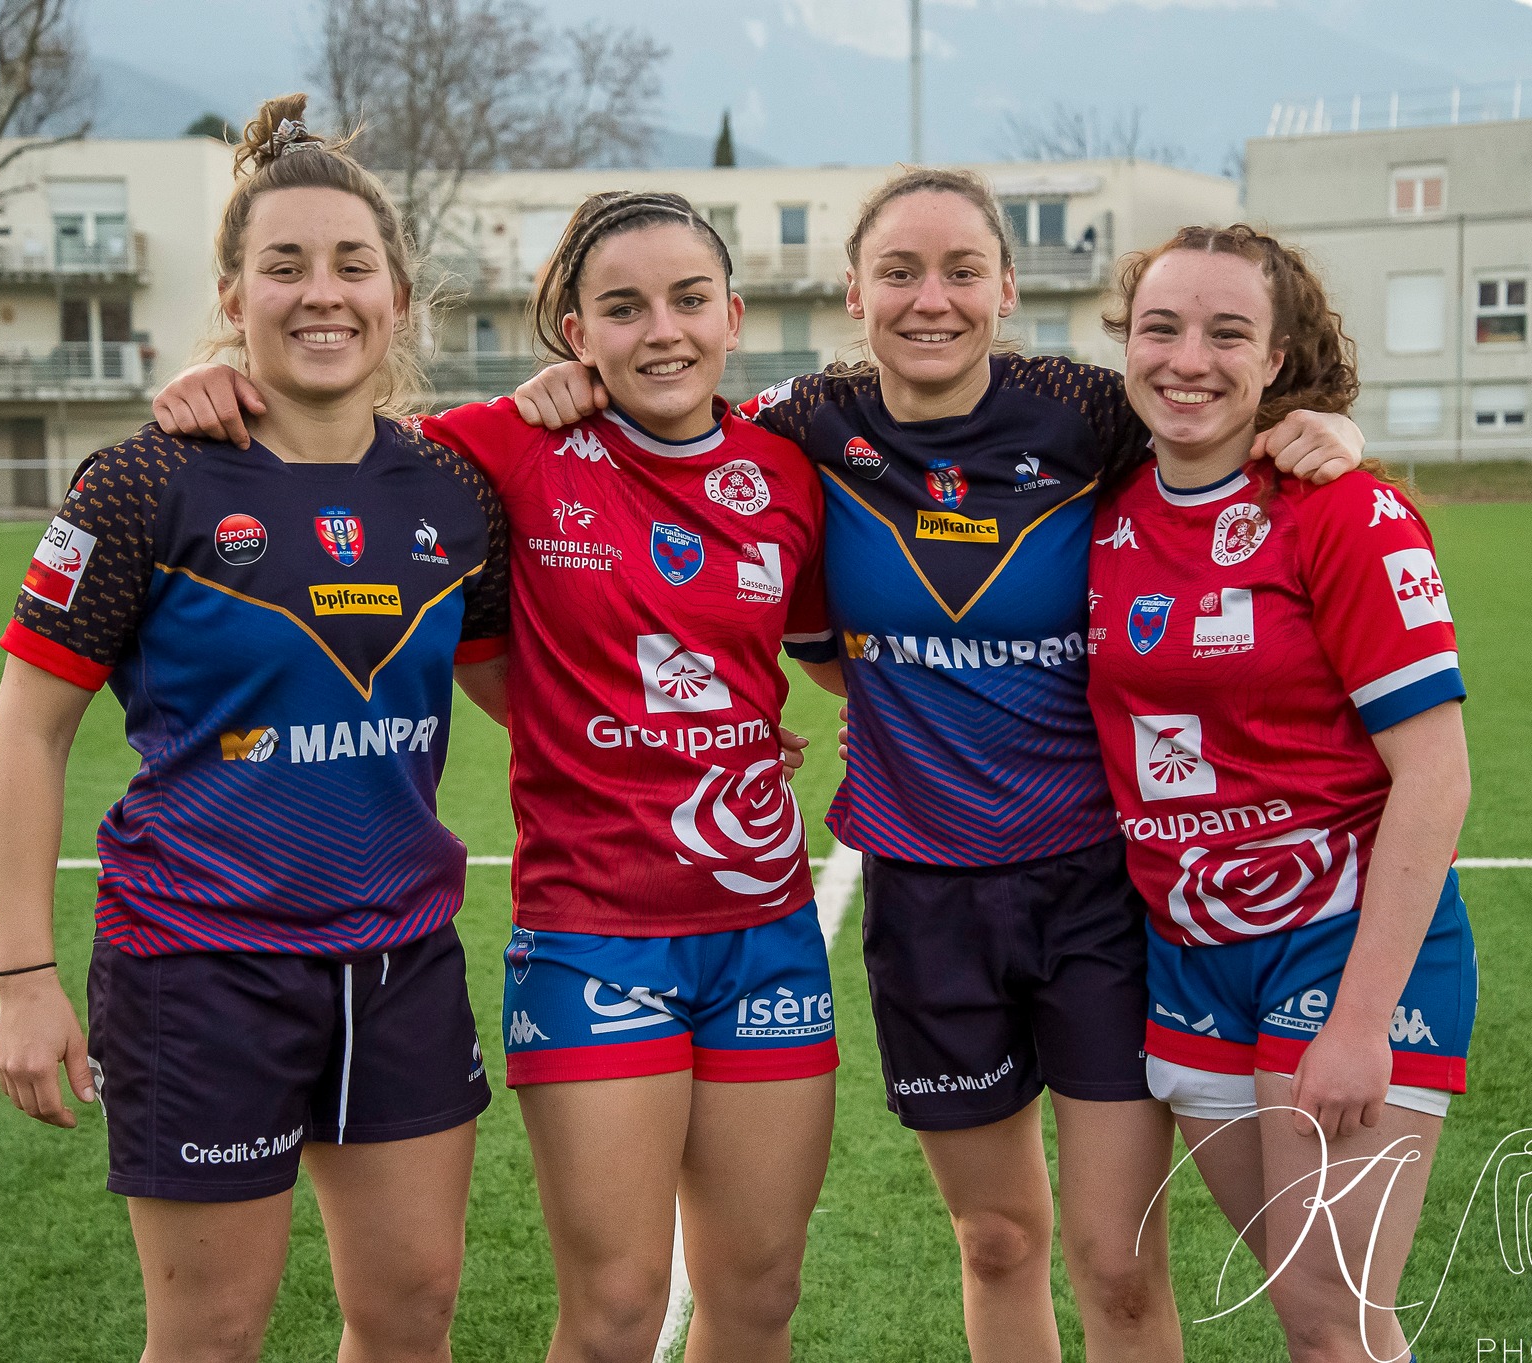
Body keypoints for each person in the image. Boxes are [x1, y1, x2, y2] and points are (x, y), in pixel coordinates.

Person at [502, 170, 1369, 1363]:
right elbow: (671, 408)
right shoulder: (801, 423)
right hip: (923, 896)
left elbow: (1218, 417)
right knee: (998, 1237)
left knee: (1117, 1262)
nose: (931, 300)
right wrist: (571, 387)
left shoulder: (1084, 412)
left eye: (962, 270)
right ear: (850, 292)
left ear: (1006, 288)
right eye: (898, 273)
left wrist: (1337, 429)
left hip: (1097, 894)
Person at [154, 190, 839, 1363]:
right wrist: (214, 381)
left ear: (732, 316)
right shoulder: (498, 447)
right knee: (618, 1314)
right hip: (591, 935)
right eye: (620, 308)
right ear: (574, 331)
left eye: (685, 301)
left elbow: (839, 660)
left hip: (766, 931)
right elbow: (328, 426)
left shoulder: (787, 472)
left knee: (759, 1296)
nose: (658, 331)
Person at [0, 96, 509, 1363]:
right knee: (211, 1335)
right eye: (283, 267)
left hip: (403, 964)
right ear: (233, 292)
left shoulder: (451, 490)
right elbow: (25, 734)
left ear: (396, 297)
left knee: (408, 1320)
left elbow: (522, 694)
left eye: (349, 265)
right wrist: (22, 978)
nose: (319, 294)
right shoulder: (141, 483)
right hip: (197, 971)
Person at [1085, 223, 1473, 1363]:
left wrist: (1359, 1022)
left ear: (1278, 354)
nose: (1185, 358)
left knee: (1329, 1323)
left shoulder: (1344, 512)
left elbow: (1435, 776)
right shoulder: (1099, 511)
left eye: (1225, 332)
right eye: (1158, 327)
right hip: (1191, 954)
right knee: (1322, 1314)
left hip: (1338, 947)